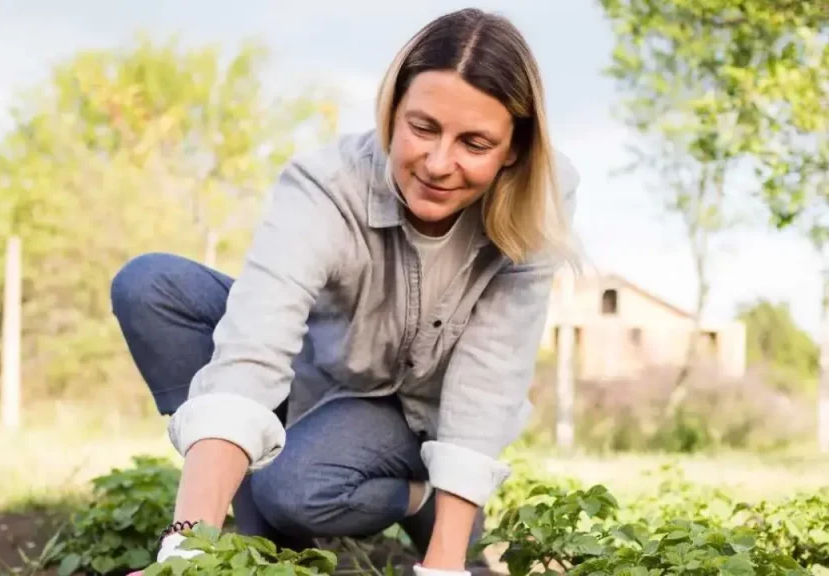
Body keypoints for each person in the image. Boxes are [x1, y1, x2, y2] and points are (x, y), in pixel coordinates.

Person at [110, 7, 579, 576]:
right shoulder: (326, 185)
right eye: (422, 127)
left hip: (421, 419)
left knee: (295, 488)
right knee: (152, 286)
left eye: (474, 143)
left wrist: (445, 565)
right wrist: (186, 551)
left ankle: (423, 498)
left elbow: (489, 381)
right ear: (392, 111)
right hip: (324, 378)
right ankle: (257, 556)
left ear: (512, 148)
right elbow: (253, 346)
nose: (438, 163)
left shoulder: (538, 205)